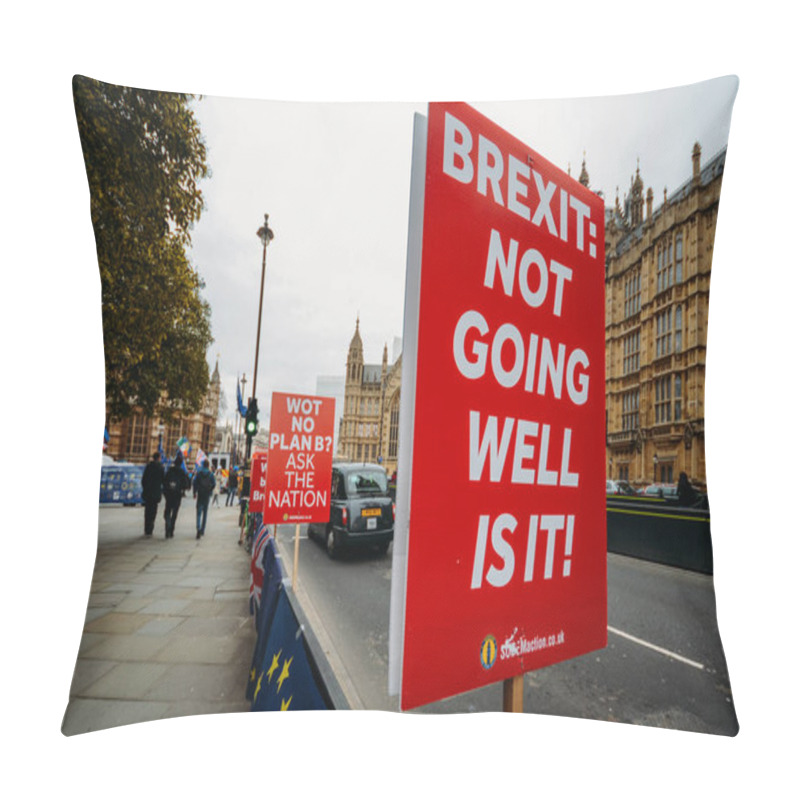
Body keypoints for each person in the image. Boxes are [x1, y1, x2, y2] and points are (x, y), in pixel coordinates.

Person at [162, 452, 190, 538]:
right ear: (181, 463)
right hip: (177, 494)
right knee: (174, 513)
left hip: (169, 494)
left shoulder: (170, 470)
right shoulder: (182, 472)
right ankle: (171, 530)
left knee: (167, 511)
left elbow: (164, 481)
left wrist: (165, 491)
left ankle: (167, 523)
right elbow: (186, 484)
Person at [141, 451, 165, 537]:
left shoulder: (148, 466)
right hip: (155, 493)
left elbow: (143, 480)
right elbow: (163, 480)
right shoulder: (161, 467)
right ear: (158, 458)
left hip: (148, 492)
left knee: (147, 511)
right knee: (153, 511)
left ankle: (146, 529)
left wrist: (145, 488)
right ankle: (150, 528)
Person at [193, 459, 216, 539]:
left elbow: (195, 483)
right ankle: (202, 530)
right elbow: (214, 484)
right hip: (206, 495)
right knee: (205, 513)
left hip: (200, 494)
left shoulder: (199, 473)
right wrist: (210, 490)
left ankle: (198, 528)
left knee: (198, 512)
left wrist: (194, 493)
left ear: (203, 465)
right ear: (208, 465)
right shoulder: (210, 474)